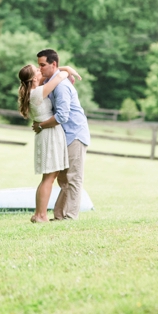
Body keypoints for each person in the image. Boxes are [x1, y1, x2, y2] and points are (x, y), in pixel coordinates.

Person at [32, 48, 91, 220]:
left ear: (53, 64)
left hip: (76, 134)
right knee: (64, 180)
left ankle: (70, 216)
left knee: (73, 178)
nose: (40, 69)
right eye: (39, 65)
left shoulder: (62, 87)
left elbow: (62, 116)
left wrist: (41, 125)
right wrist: (66, 69)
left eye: (42, 65)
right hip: (65, 136)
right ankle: (59, 216)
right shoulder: (52, 80)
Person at [17, 63, 76, 223]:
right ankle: (40, 215)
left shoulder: (34, 90)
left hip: (49, 133)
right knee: (48, 177)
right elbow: (59, 77)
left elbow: (52, 74)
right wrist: (68, 69)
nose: (40, 70)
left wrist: (63, 68)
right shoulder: (37, 92)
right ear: (34, 77)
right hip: (48, 134)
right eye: (37, 70)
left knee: (51, 175)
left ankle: (40, 214)